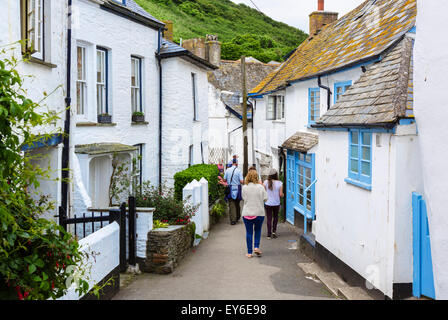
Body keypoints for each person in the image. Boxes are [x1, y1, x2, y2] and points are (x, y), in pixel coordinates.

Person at [242, 169, 268, 258]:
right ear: (257, 177)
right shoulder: (261, 187)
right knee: (258, 230)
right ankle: (256, 247)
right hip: (259, 213)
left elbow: (244, 198)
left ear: (247, 177)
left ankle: (249, 253)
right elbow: (266, 198)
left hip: (247, 213)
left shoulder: (244, 187)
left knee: (249, 233)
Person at [263, 168, 284, 239]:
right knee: (275, 217)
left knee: (269, 218)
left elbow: (263, 192)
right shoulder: (280, 183)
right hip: (276, 203)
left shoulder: (265, 182)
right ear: (276, 175)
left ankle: (268, 235)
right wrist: (283, 194)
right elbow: (281, 195)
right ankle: (274, 232)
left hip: (268, 203)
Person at [223, 158, 244, 225]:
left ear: (232, 163)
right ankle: (237, 217)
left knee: (231, 204)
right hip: (237, 188)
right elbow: (241, 181)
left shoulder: (227, 170)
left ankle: (233, 220)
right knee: (237, 203)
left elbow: (224, 180)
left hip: (230, 188)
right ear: (237, 164)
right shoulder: (239, 171)